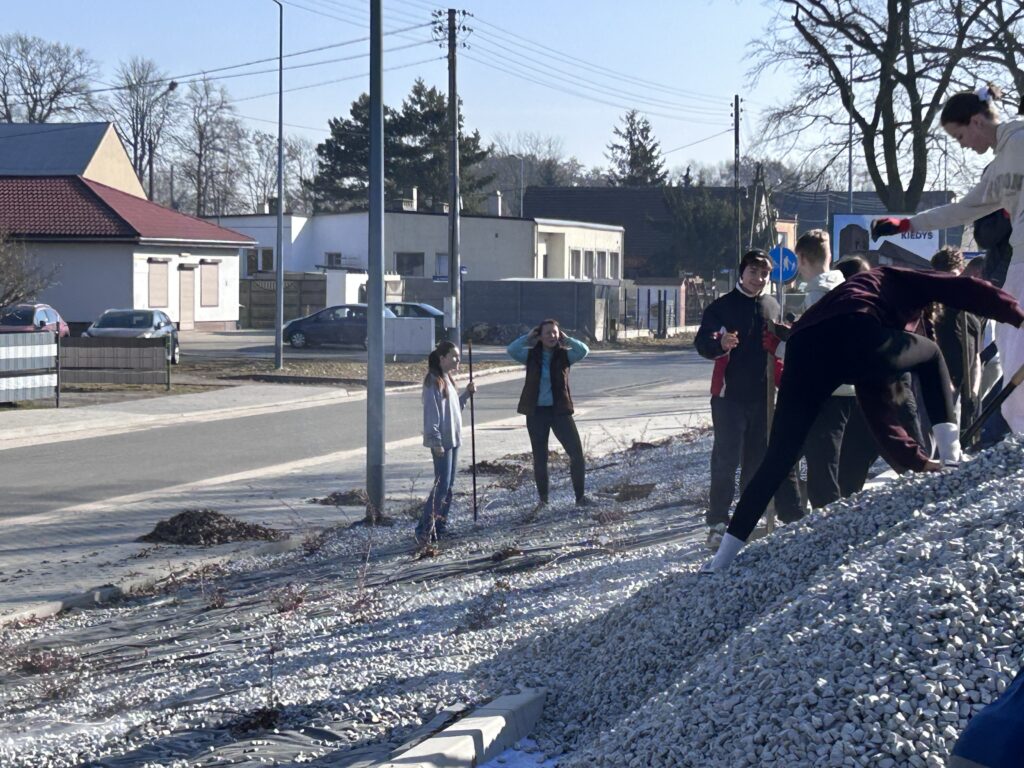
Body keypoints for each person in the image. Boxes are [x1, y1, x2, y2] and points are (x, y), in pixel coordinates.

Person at [703, 265, 1024, 573]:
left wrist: (919, 462)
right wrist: (1018, 317)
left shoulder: (862, 304)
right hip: (854, 328)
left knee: (778, 458)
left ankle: (721, 560)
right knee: (932, 354)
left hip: (804, 346)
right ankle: (954, 460)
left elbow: (879, 412)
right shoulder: (901, 280)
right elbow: (965, 287)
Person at [871, 83, 1024, 432]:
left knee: (1013, 341)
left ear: (975, 122)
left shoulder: (1018, 139)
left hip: (1023, 263)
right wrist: (908, 224)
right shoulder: (999, 168)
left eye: (959, 137)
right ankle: (1019, 436)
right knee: (1009, 342)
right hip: (1019, 261)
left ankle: (1020, 433)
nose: (964, 146)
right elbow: (963, 209)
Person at [694, 249, 804, 550]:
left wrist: (783, 339)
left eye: (764, 274)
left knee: (755, 462)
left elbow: (781, 342)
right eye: (753, 272)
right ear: (741, 273)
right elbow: (703, 343)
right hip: (729, 398)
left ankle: (747, 517)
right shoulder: (721, 307)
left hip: (764, 396)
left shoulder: (772, 304)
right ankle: (717, 522)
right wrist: (721, 344)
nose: (759, 279)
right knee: (725, 461)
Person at [785, 230, 853, 508]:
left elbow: (815, 350)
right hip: (844, 387)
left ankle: (824, 527)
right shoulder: (845, 288)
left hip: (825, 391)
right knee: (826, 462)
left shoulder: (818, 296)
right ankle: (810, 520)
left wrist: (781, 346)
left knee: (821, 467)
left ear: (801, 258)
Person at [506, 319, 590, 514]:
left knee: (577, 454)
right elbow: (512, 349)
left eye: (555, 333)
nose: (552, 336)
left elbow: (584, 350)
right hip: (536, 413)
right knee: (540, 457)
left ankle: (580, 497)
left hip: (559, 411)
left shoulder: (564, 356)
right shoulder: (531, 356)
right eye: (548, 333)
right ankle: (543, 500)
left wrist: (568, 339)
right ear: (540, 336)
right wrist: (527, 337)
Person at [416, 341, 475, 547]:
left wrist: (466, 394)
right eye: (454, 356)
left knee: (448, 487)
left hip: (454, 439)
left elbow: (454, 408)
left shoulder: (448, 379)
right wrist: (435, 442)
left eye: (458, 356)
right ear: (442, 358)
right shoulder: (433, 382)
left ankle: (439, 527)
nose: (458, 360)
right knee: (441, 486)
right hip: (442, 442)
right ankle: (424, 530)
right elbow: (431, 415)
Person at [928, 247, 984, 430]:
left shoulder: (972, 310)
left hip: (962, 391)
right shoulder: (932, 308)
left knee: (957, 444)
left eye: (952, 276)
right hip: (937, 389)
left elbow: (976, 357)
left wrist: (974, 393)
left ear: (960, 272)